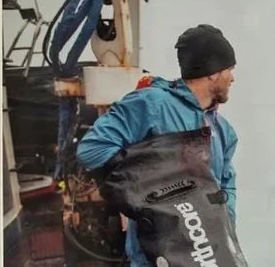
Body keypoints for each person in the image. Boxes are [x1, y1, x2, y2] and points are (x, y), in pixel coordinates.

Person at [77, 24, 241, 267]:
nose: (233, 77)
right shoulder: (152, 103)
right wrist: (153, 200)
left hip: (207, 258)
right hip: (154, 259)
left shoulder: (224, 131)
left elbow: (227, 188)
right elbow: (92, 149)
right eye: (230, 69)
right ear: (213, 72)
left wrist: (224, 234)